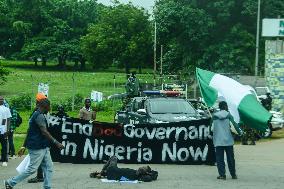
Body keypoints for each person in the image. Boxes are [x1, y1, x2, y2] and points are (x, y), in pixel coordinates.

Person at [4, 98, 64, 189]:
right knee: (32, 169)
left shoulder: (37, 114)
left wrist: (24, 145)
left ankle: (47, 187)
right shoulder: (39, 116)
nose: (50, 108)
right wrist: (56, 142)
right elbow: (44, 131)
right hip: (37, 147)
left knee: (49, 167)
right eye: (49, 106)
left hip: (43, 146)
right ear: (46, 106)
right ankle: (10, 182)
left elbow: (29, 130)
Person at [212, 101, 243, 180]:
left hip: (218, 141)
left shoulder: (214, 116)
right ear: (225, 106)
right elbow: (234, 126)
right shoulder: (229, 116)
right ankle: (233, 175)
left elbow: (211, 129)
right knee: (231, 159)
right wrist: (240, 133)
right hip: (228, 141)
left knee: (220, 159)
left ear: (219, 107)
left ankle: (222, 175)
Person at [27, 93, 48, 184]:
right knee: (44, 159)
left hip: (38, 139)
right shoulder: (44, 111)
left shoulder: (38, 112)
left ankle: (40, 176)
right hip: (42, 139)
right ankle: (42, 176)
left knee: (39, 160)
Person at [90, 156, 158, 182]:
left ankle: (100, 173)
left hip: (112, 170)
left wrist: (148, 173)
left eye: (144, 168)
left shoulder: (139, 174)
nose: (142, 167)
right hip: (112, 174)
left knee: (114, 157)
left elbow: (149, 178)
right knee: (116, 169)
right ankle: (100, 173)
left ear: (144, 172)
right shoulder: (137, 173)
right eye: (143, 166)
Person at [0, 96, 12, 167]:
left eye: (2, 99)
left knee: (4, 146)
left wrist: (7, 130)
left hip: (3, 131)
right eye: (0, 99)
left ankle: (4, 160)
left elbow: (8, 120)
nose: (1, 100)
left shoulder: (6, 109)